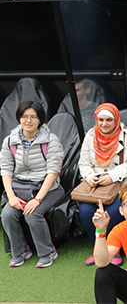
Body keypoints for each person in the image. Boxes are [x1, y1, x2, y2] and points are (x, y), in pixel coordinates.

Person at [78, 103, 127, 266]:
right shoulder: (90, 135)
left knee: (116, 209)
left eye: (109, 120)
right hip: (98, 183)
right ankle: (98, 248)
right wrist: (90, 177)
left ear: (116, 120)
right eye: (100, 120)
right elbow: (83, 162)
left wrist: (112, 176)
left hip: (125, 180)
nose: (104, 124)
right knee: (86, 210)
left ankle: (114, 249)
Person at [1, 101, 64, 268]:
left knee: (32, 213)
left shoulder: (51, 140)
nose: (28, 121)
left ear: (40, 120)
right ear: (19, 119)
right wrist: (11, 196)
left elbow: (53, 171)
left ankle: (48, 252)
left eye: (33, 117)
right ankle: (20, 251)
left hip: (49, 188)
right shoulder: (10, 141)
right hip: (20, 189)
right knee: (7, 214)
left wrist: (37, 199)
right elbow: (6, 170)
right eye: (24, 117)